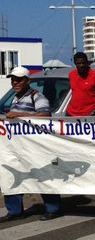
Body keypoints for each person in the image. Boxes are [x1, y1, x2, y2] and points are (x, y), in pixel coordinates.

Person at [1, 67, 62, 222]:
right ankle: (14, 211)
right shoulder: (15, 97)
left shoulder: (37, 96)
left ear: (27, 81)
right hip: (17, 146)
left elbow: (45, 115)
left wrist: (19, 115)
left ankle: (53, 208)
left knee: (44, 175)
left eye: (19, 79)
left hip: (35, 146)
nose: (15, 82)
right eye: (13, 79)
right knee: (11, 175)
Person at [66, 52, 95, 117]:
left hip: (88, 116)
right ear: (75, 63)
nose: (81, 65)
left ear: (87, 63)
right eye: (79, 63)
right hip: (71, 114)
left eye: (83, 63)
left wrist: (94, 112)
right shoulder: (71, 75)